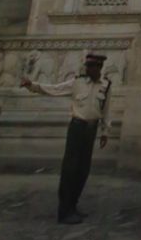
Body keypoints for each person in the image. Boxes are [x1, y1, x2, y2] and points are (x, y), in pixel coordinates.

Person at [21, 52, 112, 224]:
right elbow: (55, 89)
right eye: (88, 66)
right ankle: (64, 210)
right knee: (70, 169)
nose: (89, 69)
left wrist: (105, 131)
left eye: (93, 67)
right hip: (77, 127)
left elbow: (106, 109)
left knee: (83, 170)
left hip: (91, 130)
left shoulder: (106, 85)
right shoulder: (77, 83)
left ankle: (73, 205)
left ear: (99, 68)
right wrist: (31, 85)